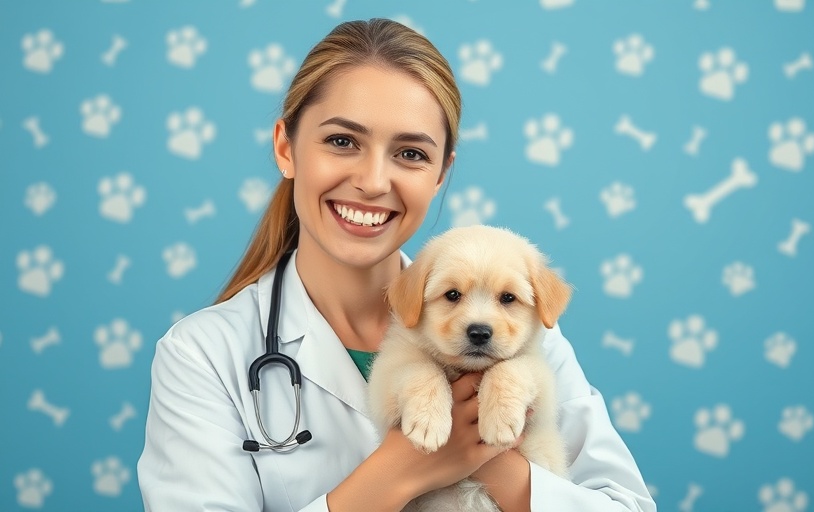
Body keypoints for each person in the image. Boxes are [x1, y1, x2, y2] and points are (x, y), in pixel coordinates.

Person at [137, 18, 656, 512]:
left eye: (410, 153)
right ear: (285, 148)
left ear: (440, 173)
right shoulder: (202, 356)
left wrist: (499, 467)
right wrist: (400, 471)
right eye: (342, 141)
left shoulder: (522, 329)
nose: (373, 180)